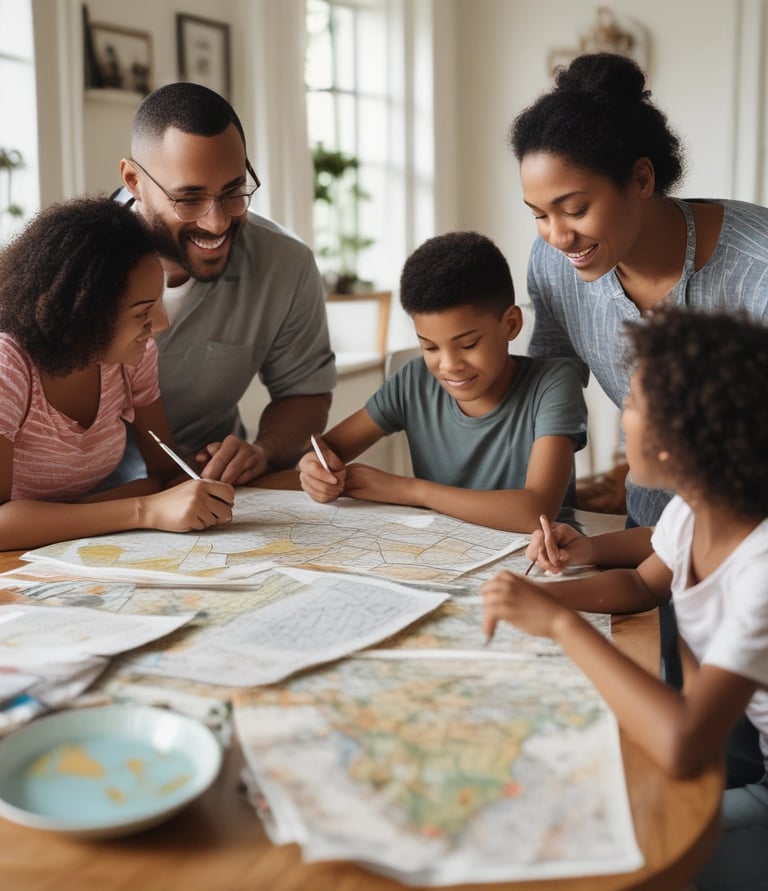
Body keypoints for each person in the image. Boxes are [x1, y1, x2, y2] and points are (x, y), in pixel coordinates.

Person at [480, 305, 768, 890]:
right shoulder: (696, 509)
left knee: (596, 849)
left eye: (633, 404)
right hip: (732, 753)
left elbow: (685, 742)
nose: (623, 416)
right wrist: (564, 578)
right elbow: (642, 582)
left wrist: (563, 628)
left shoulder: (761, 571)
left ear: (684, 438)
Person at [509, 51, 768, 530]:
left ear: (642, 179)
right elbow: (553, 389)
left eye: (575, 208)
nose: (558, 236)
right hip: (649, 531)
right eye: (540, 214)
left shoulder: (759, 270)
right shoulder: (554, 262)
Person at [115, 82, 336, 486]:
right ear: (133, 180)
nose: (216, 223)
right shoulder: (63, 269)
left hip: (218, 496)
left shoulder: (287, 265)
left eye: (234, 192)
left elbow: (305, 392)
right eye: (189, 198)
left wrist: (263, 451)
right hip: (82, 506)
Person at [299, 231, 587, 533]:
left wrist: (411, 491)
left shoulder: (554, 384)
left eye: (468, 345)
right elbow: (327, 448)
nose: (449, 366)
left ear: (511, 324)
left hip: (539, 562)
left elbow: (535, 512)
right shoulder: (414, 381)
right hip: (442, 555)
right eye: (430, 347)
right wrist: (314, 469)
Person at [0, 197, 234, 551]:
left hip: (62, 550)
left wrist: (210, 467)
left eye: (158, 302)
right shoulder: (8, 365)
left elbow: (164, 475)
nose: (161, 324)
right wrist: (142, 509)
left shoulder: (133, 359)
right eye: (142, 312)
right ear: (82, 314)